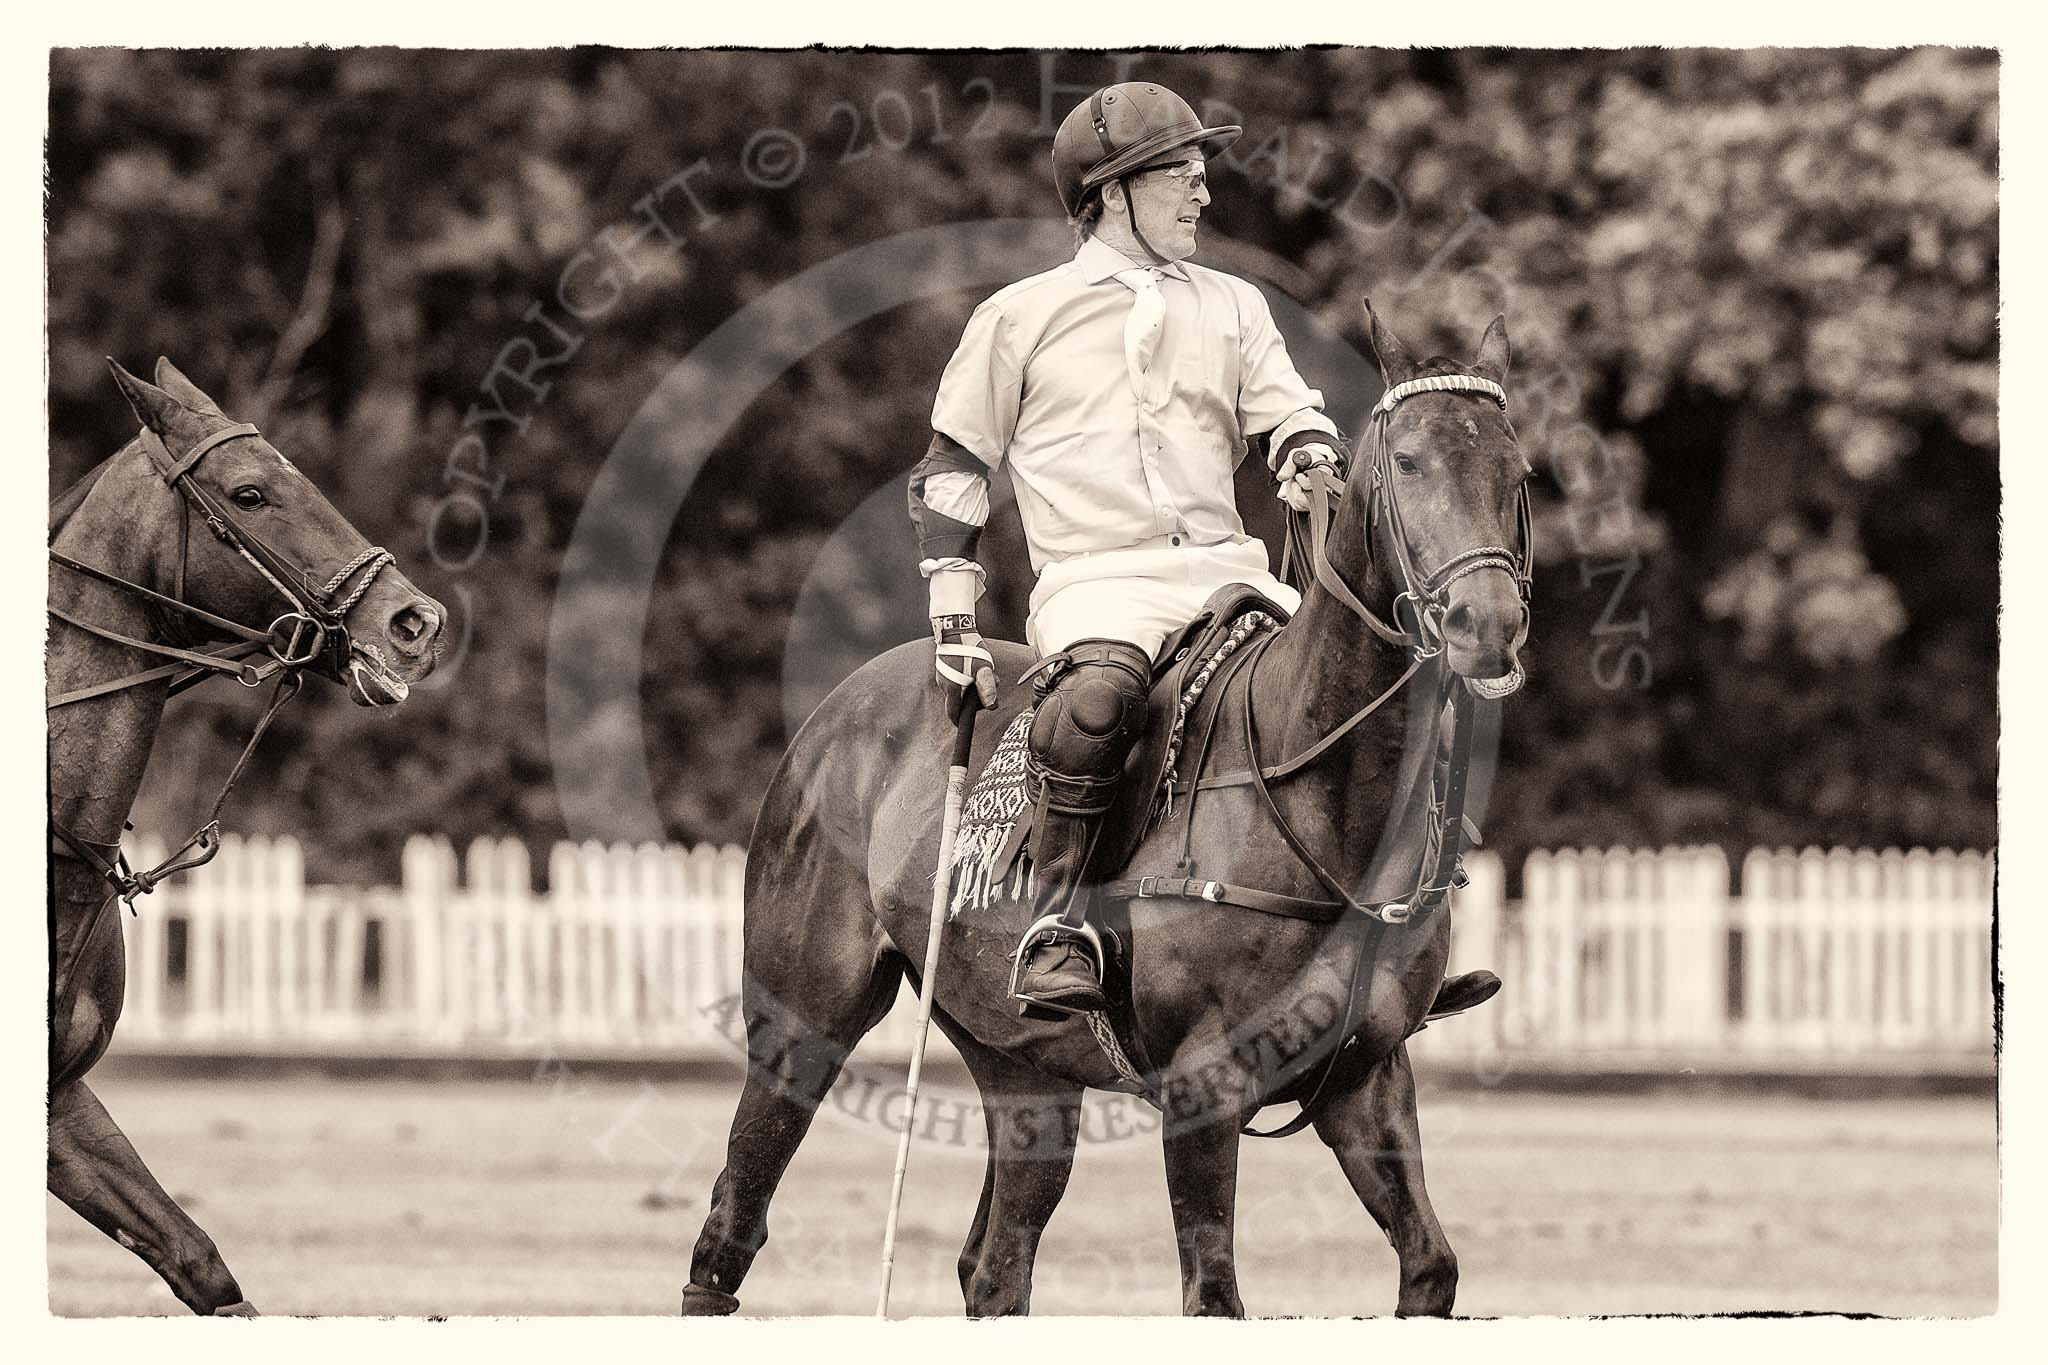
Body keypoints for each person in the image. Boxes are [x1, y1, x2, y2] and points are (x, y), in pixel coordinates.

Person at [905, 82, 1389, 1018]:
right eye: (1182, 177)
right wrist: (953, 617)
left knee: (1356, 688)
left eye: (1203, 176)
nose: (1204, 196)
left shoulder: (1237, 304)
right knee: (1096, 706)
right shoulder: (1017, 317)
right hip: (1100, 586)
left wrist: (1307, 453)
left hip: (1230, 575)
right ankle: (1058, 929)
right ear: (1111, 190)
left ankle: (1391, 930)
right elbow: (955, 469)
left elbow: (1288, 411)